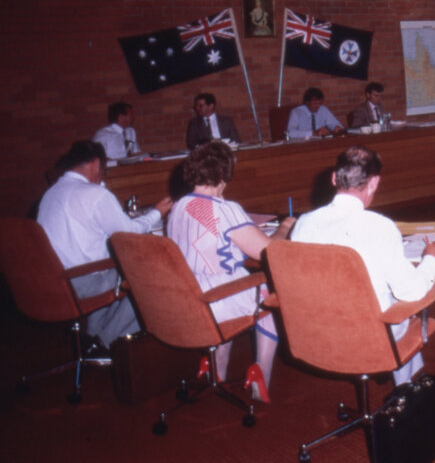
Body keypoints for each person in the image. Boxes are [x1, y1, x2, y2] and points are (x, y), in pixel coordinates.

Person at [291, 145, 435, 385]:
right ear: (374, 183)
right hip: (369, 333)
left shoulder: (304, 223)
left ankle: (411, 387)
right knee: (403, 307)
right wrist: (432, 259)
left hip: (318, 329)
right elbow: (412, 292)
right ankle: (407, 392)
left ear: (334, 178)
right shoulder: (379, 226)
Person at [167, 142, 295, 403]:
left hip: (184, 296)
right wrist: (284, 227)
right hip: (213, 299)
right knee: (270, 295)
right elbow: (268, 251)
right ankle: (260, 376)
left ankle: (217, 367)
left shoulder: (178, 206)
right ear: (223, 176)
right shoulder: (225, 209)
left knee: (237, 285)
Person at [36, 141, 172, 349]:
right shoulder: (95, 195)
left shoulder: (50, 194)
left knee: (113, 269)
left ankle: (93, 334)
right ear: (96, 164)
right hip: (85, 281)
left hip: (57, 283)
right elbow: (128, 233)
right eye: (104, 170)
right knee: (156, 274)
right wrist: (157, 213)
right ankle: (103, 342)